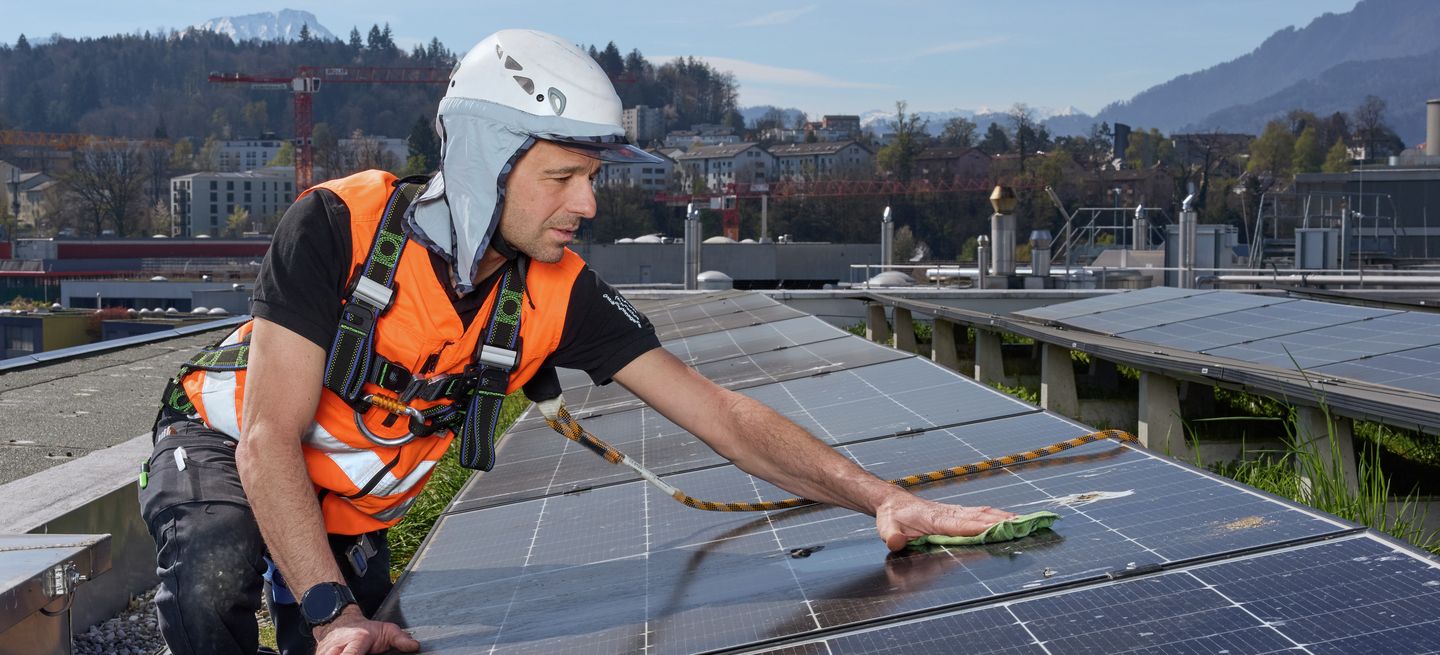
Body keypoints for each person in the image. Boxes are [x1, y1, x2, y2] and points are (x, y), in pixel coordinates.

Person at [139, 28, 1016, 655]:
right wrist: (331, 609)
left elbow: (717, 412)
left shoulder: (557, 295)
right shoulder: (336, 224)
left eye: (591, 177)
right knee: (220, 569)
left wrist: (884, 501)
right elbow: (265, 438)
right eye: (564, 176)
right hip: (226, 443)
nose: (589, 205)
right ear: (486, 161)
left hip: (347, 504)